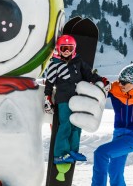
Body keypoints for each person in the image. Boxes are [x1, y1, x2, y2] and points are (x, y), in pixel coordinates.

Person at [44, 34, 107, 164]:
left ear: (74, 49)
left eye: (69, 48)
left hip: (79, 100)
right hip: (64, 100)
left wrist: (100, 81)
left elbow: (89, 75)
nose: (67, 51)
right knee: (66, 124)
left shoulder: (78, 62)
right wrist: (48, 98)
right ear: (58, 49)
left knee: (77, 124)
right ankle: (60, 154)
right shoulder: (54, 65)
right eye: (64, 48)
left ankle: (73, 151)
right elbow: (49, 83)